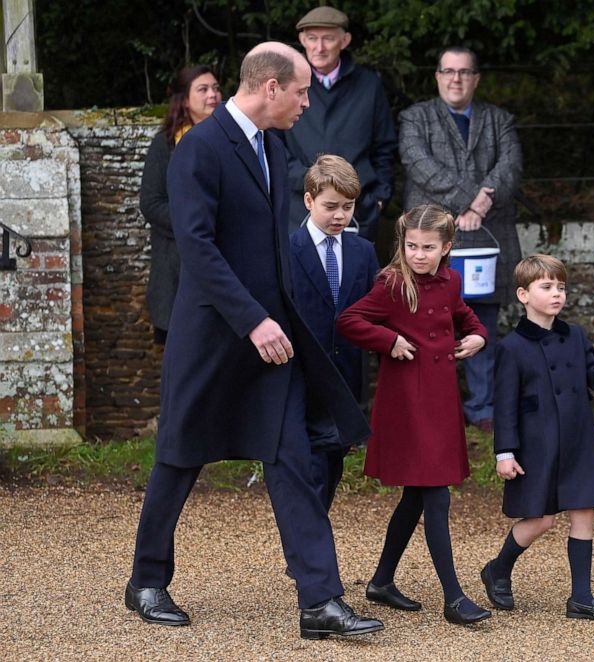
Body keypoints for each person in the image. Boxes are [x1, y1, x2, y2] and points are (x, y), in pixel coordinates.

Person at [124, 42, 385, 640]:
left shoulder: (271, 143)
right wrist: (251, 319)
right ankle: (146, 581)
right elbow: (198, 249)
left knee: (293, 458)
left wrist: (287, 317)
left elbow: (272, 248)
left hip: (271, 340)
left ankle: (320, 602)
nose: (306, 102)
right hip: (212, 336)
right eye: (300, 91)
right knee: (180, 456)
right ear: (270, 87)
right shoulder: (199, 150)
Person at [480, 254, 594, 623]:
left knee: (584, 512)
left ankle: (581, 598)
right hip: (537, 447)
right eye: (546, 287)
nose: (556, 294)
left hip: (578, 441)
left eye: (561, 287)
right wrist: (504, 452)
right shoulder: (511, 347)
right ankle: (498, 570)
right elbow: (505, 406)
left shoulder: (575, 335)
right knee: (541, 521)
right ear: (523, 294)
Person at [336, 204, 492, 626]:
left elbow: (462, 315)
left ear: (446, 248)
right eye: (411, 246)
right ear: (402, 245)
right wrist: (388, 340)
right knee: (435, 496)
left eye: (427, 247)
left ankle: (382, 581)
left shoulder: (452, 280)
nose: (418, 255)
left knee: (416, 497)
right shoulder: (391, 283)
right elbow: (349, 320)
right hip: (406, 403)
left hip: (440, 402)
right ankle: (455, 597)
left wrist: (478, 335)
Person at [398, 45, 523, 433]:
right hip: (432, 239)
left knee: (481, 324)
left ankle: (482, 407)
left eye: (465, 72)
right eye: (449, 71)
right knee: (427, 324)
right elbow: (418, 163)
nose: (456, 79)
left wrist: (481, 206)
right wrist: (473, 199)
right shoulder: (415, 118)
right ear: (437, 77)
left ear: (476, 78)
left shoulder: (499, 119)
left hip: (486, 237)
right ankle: (433, 409)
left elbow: (511, 165)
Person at [288, 154, 378, 514]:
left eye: (348, 206)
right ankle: (310, 558)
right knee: (310, 470)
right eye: (330, 207)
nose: (340, 215)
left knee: (333, 467)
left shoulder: (364, 251)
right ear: (309, 201)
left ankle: (310, 554)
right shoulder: (286, 250)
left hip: (346, 379)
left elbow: (375, 310)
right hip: (302, 377)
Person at [275, 5, 397, 242]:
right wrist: (311, 181)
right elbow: (275, 147)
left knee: (355, 278)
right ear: (302, 39)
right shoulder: (285, 85)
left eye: (328, 39)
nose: (319, 47)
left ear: (345, 40)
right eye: (312, 38)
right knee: (303, 278)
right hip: (300, 208)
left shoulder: (369, 85)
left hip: (358, 209)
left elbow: (385, 146)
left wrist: (379, 199)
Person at [139, 65, 221, 344]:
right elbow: (151, 203)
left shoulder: (228, 141)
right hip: (176, 267)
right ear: (185, 100)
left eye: (216, 88)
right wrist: (195, 227)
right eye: (203, 89)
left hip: (222, 263)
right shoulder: (164, 145)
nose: (213, 95)